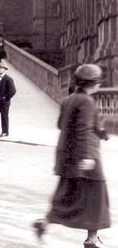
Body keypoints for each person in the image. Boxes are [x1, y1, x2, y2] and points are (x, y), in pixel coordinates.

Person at [33, 64, 111, 247]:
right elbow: (83, 129)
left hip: (67, 157)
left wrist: (100, 131)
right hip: (86, 156)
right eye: (98, 82)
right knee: (97, 196)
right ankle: (92, 239)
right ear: (93, 83)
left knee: (66, 195)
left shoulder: (68, 100)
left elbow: (62, 124)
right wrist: (88, 157)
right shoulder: (87, 102)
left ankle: (44, 223)